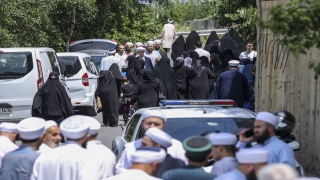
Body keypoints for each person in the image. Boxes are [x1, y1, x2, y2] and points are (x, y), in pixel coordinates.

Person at [115, 109, 187, 174]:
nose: (152, 127)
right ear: (142, 125)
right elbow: (120, 170)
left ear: (164, 126)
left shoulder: (176, 145)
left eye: (157, 124)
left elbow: (183, 169)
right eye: (149, 123)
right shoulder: (131, 147)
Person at [30, 115, 99, 180]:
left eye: (59, 134)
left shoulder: (44, 156)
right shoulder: (86, 157)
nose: (59, 138)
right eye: (54, 135)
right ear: (86, 136)